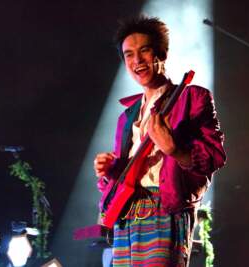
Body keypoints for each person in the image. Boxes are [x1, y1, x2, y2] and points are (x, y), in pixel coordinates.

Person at [94, 15, 226, 267]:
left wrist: (174, 149)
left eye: (144, 51)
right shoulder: (127, 115)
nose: (136, 61)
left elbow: (214, 156)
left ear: (162, 54)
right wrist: (109, 171)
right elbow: (123, 176)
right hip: (126, 213)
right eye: (129, 55)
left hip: (165, 207)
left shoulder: (193, 97)